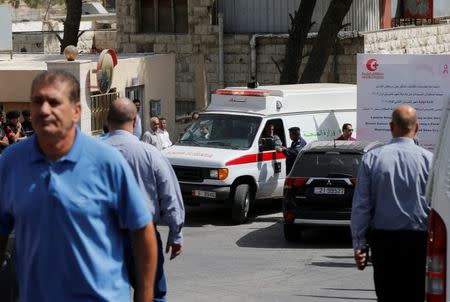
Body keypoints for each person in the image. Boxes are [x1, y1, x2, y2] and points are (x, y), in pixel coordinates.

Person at [0, 70, 158, 302]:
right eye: (37, 101)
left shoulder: (106, 161)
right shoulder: (11, 162)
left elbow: (143, 230)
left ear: (76, 111)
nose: (44, 110)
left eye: (54, 102)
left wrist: (145, 296)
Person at [105, 98, 185, 302]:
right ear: (135, 121)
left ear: (108, 120)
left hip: (103, 237)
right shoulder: (150, 154)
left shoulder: (94, 153)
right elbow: (170, 195)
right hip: (143, 235)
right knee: (152, 294)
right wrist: (176, 234)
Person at [351, 104, 433, 302]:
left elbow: (362, 204)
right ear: (417, 128)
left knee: (387, 295)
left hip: (384, 243)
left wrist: (359, 244)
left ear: (391, 126)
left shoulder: (372, 159)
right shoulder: (430, 160)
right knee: (416, 295)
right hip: (419, 242)